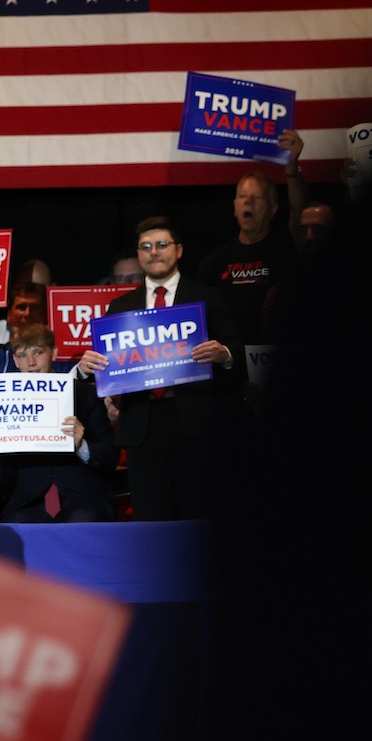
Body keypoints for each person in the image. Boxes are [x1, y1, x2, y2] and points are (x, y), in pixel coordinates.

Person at [75, 216, 244, 521]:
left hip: (195, 424)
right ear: (139, 254)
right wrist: (88, 368)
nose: (154, 252)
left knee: (200, 517)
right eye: (146, 247)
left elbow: (237, 352)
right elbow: (108, 368)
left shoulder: (206, 297)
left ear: (178, 250)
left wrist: (224, 354)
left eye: (162, 245)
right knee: (152, 520)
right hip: (142, 426)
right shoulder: (120, 307)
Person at [0, 323, 118, 522]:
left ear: (54, 353)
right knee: (14, 530)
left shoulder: (85, 394)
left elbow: (110, 458)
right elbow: (3, 475)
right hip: (25, 501)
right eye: (22, 355)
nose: (31, 362)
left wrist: (82, 446)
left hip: (82, 497)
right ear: (15, 362)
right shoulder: (3, 402)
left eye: (38, 352)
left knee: (84, 522)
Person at [195, 170, 296, 345]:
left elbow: (299, 212)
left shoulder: (286, 252)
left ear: (273, 209)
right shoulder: (215, 261)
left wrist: (294, 171)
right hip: (229, 359)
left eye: (257, 197)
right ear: (235, 207)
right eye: (243, 196)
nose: (248, 201)